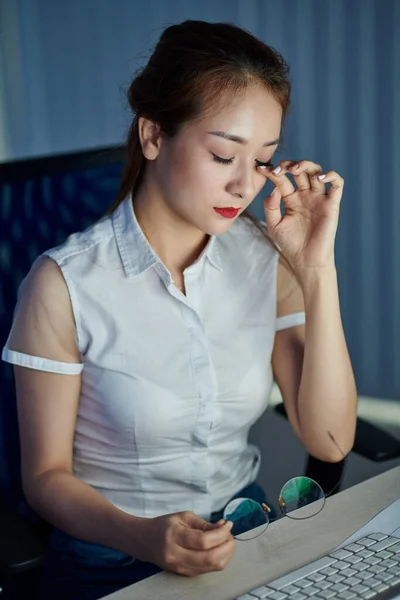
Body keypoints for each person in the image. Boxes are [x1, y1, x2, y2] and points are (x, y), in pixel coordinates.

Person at [1, 19, 358, 600]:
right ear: (152, 136)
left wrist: (317, 269)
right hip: (111, 559)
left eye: (263, 159)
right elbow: (44, 480)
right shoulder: (63, 284)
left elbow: (330, 441)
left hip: (244, 541)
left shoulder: (267, 257)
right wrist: (143, 537)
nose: (246, 186)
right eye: (223, 155)